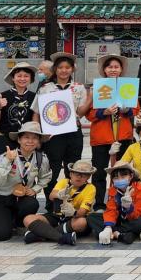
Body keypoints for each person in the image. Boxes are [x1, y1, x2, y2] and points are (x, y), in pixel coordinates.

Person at [32, 51, 90, 192]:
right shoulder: (45, 89)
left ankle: (71, 198)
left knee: (74, 168)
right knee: (52, 168)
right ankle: (51, 201)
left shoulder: (79, 88)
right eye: (60, 67)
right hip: (52, 135)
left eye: (67, 67)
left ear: (72, 69)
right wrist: (37, 135)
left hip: (73, 133)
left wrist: (91, 98)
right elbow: (36, 113)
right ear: (55, 70)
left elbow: (80, 112)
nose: (64, 70)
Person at [0, 120, 51, 242]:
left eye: (34, 138)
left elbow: (46, 177)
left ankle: (19, 223)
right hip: (3, 198)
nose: (30, 141)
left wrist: (35, 189)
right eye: (26, 137)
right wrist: (7, 162)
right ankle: (1, 219)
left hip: (22, 198)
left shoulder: (41, 158)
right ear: (19, 140)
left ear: (39, 141)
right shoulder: (6, 156)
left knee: (32, 203)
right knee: (1, 235)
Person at [85, 53, 135, 208]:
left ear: (121, 69)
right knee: (99, 172)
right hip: (101, 138)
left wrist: (127, 110)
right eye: (110, 67)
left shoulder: (128, 86)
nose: (113, 69)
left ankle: (121, 202)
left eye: (116, 67)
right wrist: (103, 112)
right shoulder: (97, 87)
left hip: (123, 136)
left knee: (122, 172)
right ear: (104, 70)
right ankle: (99, 204)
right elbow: (88, 114)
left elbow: (136, 109)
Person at [22, 159, 95, 246]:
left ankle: (40, 235)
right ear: (71, 174)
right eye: (76, 173)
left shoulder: (90, 188)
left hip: (74, 218)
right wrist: (59, 194)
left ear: (88, 177)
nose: (79, 177)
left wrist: (73, 212)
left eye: (83, 175)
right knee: (28, 219)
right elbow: (51, 196)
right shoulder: (64, 182)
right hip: (57, 215)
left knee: (82, 222)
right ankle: (62, 238)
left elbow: (82, 212)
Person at [90, 160, 141, 245]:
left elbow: (138, 214)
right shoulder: (112, 190)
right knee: (91, 217)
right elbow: (111, 210)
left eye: (123, 176)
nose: (119, 179)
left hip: (136, 219)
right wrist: (108, 226)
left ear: (131, 176)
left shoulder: (140, 189)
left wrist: (128, 207)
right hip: (120, 220)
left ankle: (115, 234)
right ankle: (119, 234)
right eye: (116, 177)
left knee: (140, 223)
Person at [0, 61, 37, 176]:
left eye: (26, 76)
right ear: (13, 78)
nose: (22, 79)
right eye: (19, 76)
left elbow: (35, 121)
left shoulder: (34, 97)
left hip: (25, 141)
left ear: (30, 79)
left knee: (23, 173)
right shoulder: (3, 95)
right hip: (3, 140)